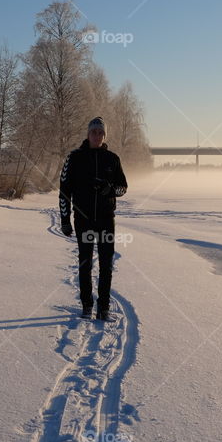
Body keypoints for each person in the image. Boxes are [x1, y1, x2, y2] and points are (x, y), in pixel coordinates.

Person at [58, 117, 128, 321]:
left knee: (106, 265)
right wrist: (65, 218)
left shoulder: (112, 159)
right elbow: (64, 191)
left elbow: (123, 187)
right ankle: (87, 305)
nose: (97, 136)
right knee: (85, 263)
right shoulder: (75, 158)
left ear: (104, 136)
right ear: (87, 134)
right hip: (84, 221)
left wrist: (109, 189)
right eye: (93, 132)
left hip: (106, 221)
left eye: (100, 133)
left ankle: (103, 307)